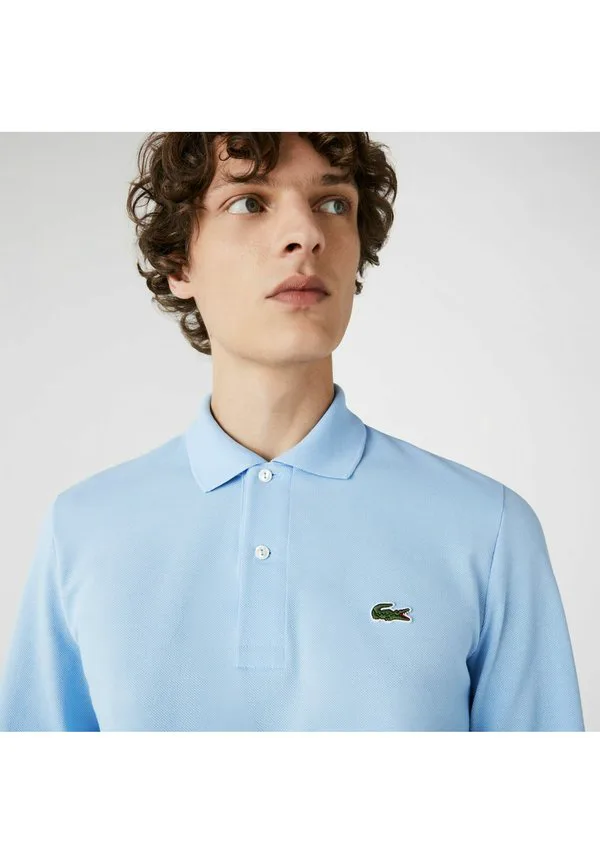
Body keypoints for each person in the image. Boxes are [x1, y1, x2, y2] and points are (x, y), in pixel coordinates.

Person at [0, 132, 585, 731]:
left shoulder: (487, 529)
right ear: (179, 262)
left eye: (334, 203)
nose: (306, 234)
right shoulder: (83, 532)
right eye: (249, 202)